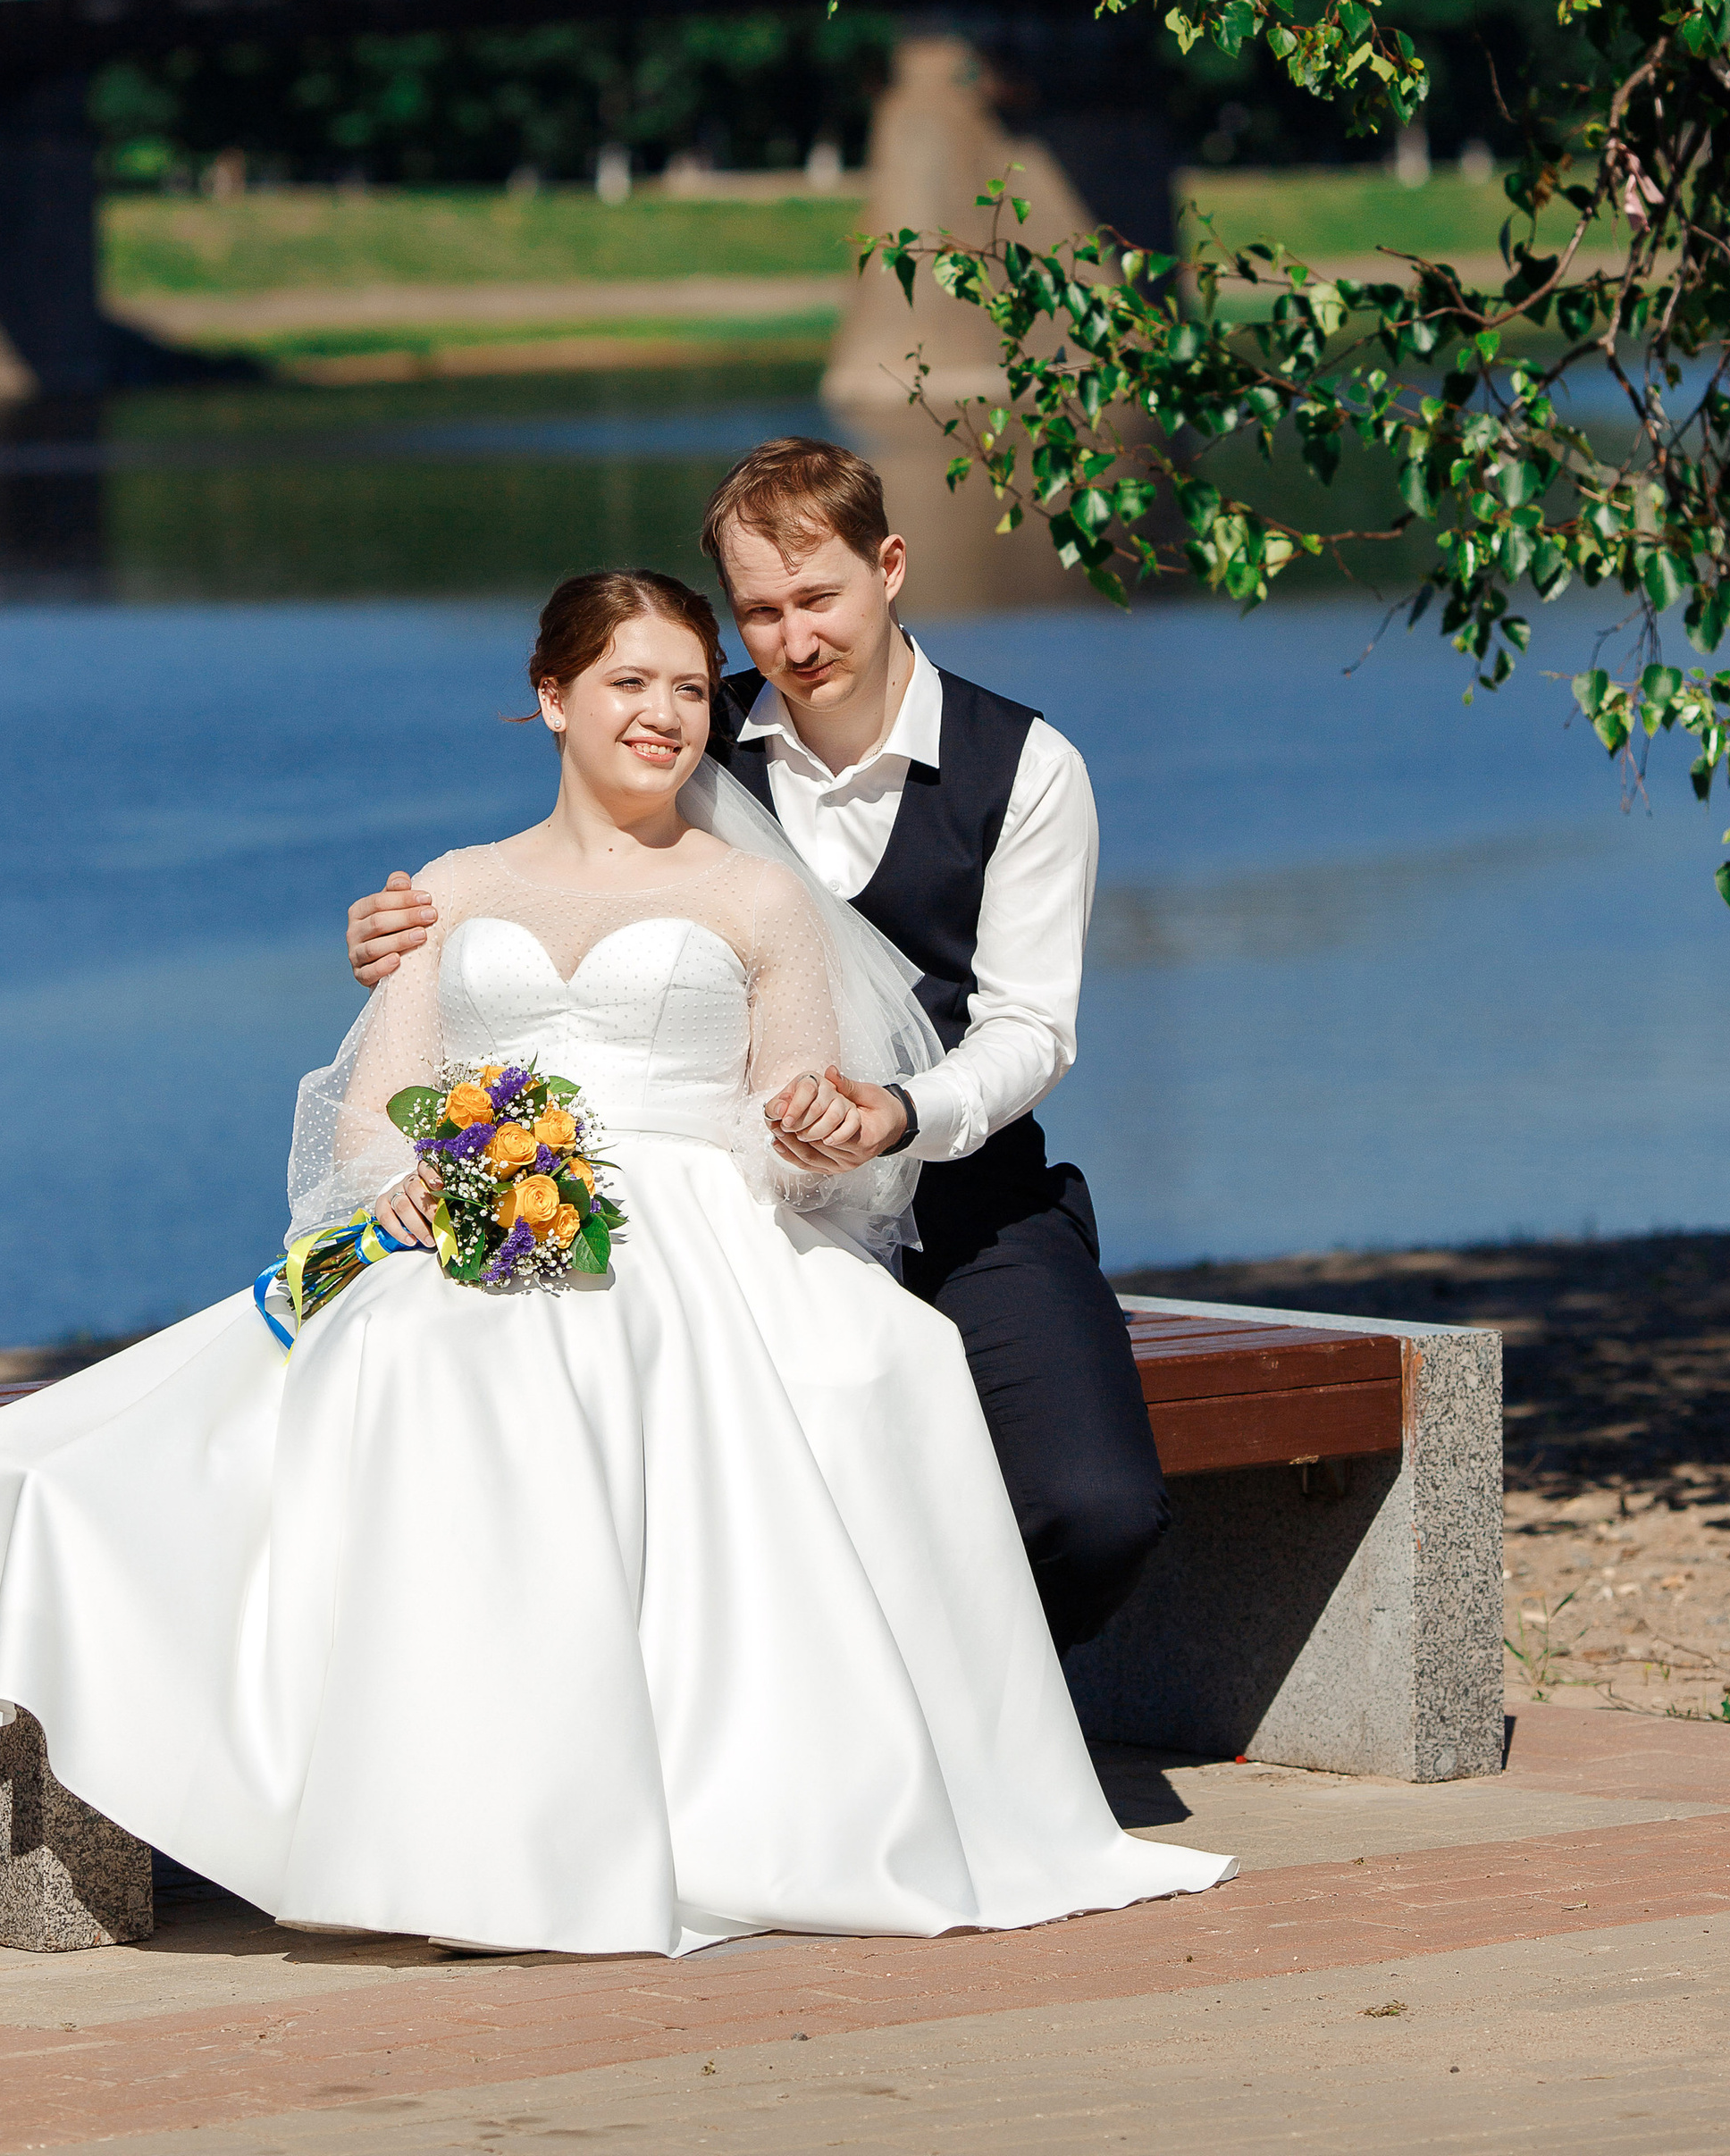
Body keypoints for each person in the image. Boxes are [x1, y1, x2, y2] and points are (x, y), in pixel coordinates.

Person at [0, 566, 1231, 1955]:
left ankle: (658, 1810)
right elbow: (378, 1107)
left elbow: (794, 1120)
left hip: (699, 1215)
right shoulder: (451, 889)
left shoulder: (754, 899)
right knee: (427, 1359)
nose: (661, 715)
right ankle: (459, 1813)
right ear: (552, 698)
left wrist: (810, 1126)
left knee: (738, 1357)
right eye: (625, 684)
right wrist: (411, 1183)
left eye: (681, 686)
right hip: (486, 1210)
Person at [348, 439, 1167, 1655]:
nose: (792, 641)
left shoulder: (1027, 767)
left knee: (1093, 1510)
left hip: (967, 1191)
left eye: (818, 599)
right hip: (741, 1209)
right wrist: (401, 936)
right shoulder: (683, 726)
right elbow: (549, 888)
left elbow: (1031, 1028)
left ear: (889, 568)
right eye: (760, 614)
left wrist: (896, 1111)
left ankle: (962, 1710)